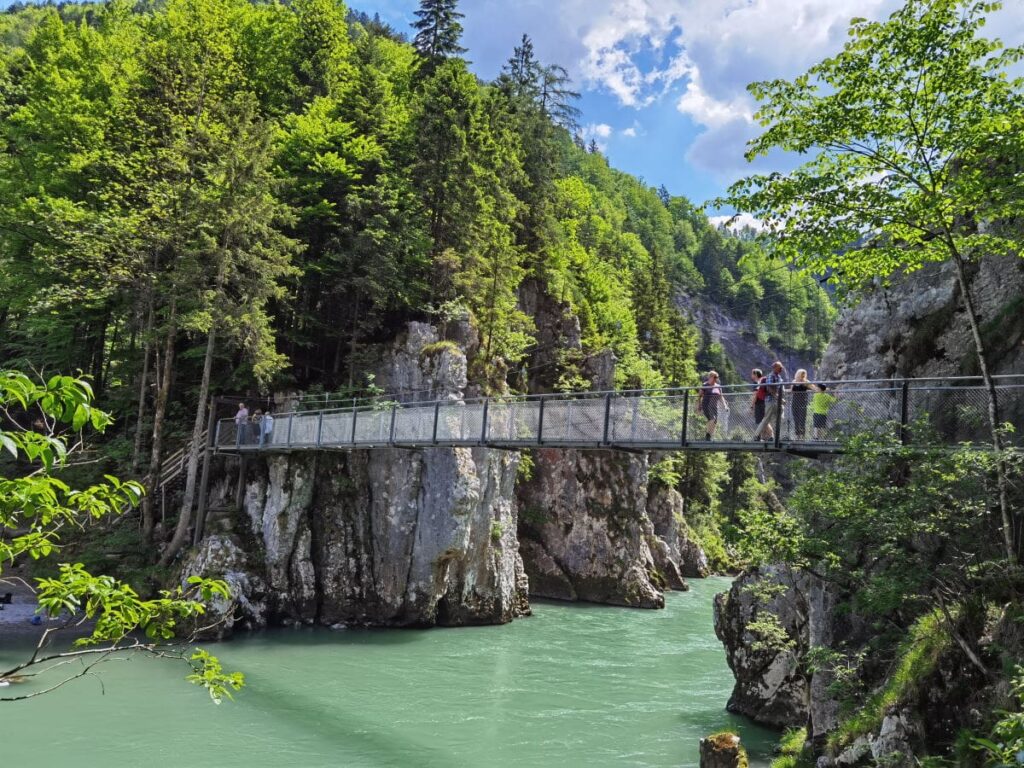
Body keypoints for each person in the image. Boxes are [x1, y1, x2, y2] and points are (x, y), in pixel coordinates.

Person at [755, 361, 789, 441]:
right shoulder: (771, 376)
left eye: (781, 367)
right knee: (766, 419)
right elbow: (770, 389)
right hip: (771, 401)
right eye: (779, 367)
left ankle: (781, 437)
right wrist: (780, 398)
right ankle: (756, 436)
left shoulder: (779, 377)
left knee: (781, 419)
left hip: (779, 402)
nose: (781, 369)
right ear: (774, 368)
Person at [698, 371, 728, 440]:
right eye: (715, 377)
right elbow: (699, 396)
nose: (716, 379)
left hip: (715, 406)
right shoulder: (705, 385)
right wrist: (699, 406)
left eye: (717, 377)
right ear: (710, 377)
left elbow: (721, 396)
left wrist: (725, 405)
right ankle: (708, 435)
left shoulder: (718, 386)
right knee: (712, 419)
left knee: (715, 421)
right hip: (706, 405)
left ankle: (709, 436)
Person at [790, 369, 813, 440]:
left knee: (802, 420)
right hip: (795, 403)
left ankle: (802, 437)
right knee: (796, 420)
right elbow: (791, 391)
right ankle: (797, 436)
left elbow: (813, 388)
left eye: (804, 374)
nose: (803, 375)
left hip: (803, 403)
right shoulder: (794, 382)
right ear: (798, 374)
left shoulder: (806, 382)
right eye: (802, 374)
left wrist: (822, 389)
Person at [750, 368, 766, 439]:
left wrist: (751, 405)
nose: (751, 375)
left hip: (759, 403)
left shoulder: (756, 383)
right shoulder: (762, 381)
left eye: (752, 374)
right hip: (765, 402)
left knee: (759, 420)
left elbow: (755, 394)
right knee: (763, 420)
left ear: (755, 374)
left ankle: (759, 437)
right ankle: (763, 436)